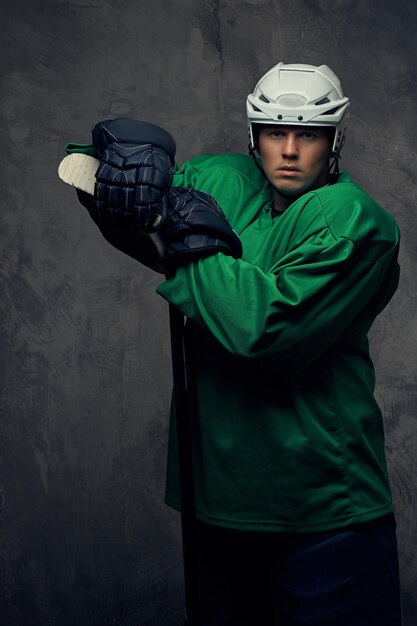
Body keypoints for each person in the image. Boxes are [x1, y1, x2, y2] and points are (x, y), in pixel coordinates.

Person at [70, 62, 402, 625]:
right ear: (254, 135)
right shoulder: (221, 180)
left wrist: (187, 241)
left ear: (335, 139)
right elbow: (94, 178)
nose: (290, 150)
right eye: (275, 132)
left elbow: (267, 331)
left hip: (322, 511)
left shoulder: (353, 220)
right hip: (217, 505)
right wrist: (124, 156)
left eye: (309, 134)